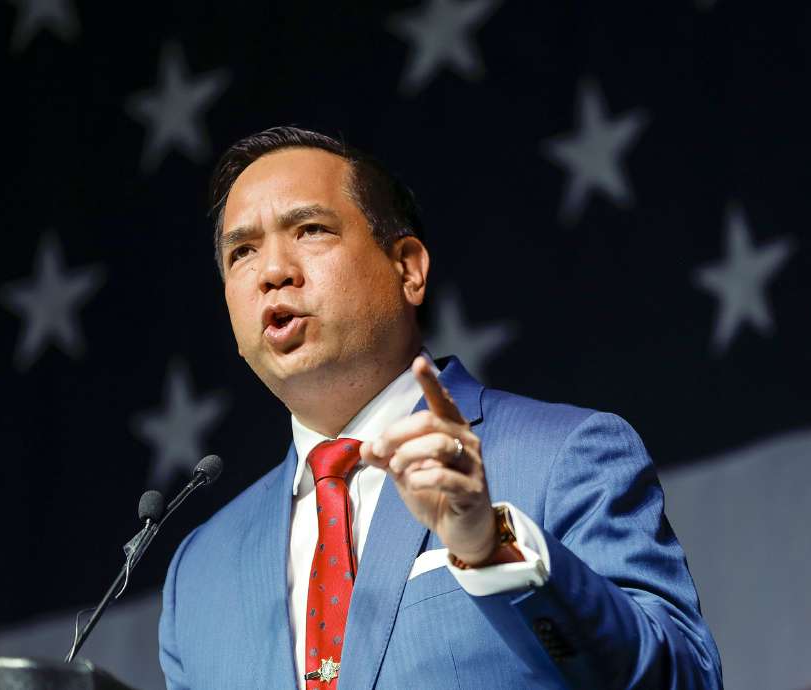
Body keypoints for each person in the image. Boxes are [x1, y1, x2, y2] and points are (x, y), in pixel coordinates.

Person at [158, 126, 722, 689]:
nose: (272, 272)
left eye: (310, 230)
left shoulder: (566, 456)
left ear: (408, 268)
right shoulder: (198, 572)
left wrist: (488, 546)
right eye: (242, 252)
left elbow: (685, 680)